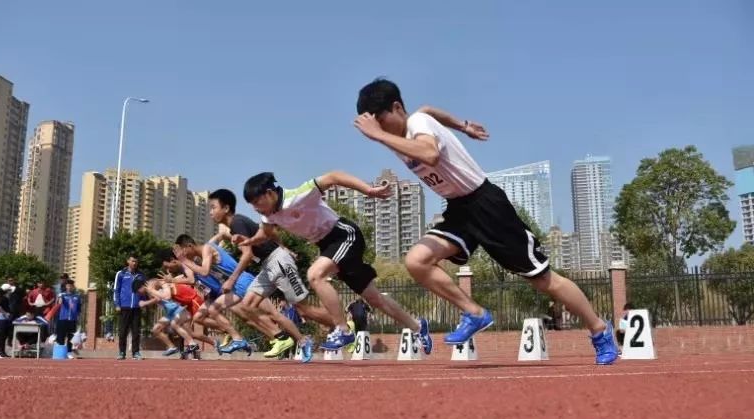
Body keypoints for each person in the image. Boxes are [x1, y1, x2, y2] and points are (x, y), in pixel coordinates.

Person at [353, 78, 618, 365]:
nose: (378, 130)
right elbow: (430, 108)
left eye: (381, 121)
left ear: (397, 107)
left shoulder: (417, 123)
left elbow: (429, 152)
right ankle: (474, 312)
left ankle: (600, 330)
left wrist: (379, 136)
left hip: (486, 204)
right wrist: (463, 125)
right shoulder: (412, 124)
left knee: (543, 280)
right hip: (459, 210)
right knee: (417, 261)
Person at [237, 171, 432, 354]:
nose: (255, 208)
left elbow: (333, 176)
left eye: (257, 202)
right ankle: (417, 326)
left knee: (315, 275)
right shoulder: (268, 215)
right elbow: (265, 232)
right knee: (374, 298)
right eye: (251, 204)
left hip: (343, 235)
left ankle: (343, 330)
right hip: (327, 245)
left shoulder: (298, 195)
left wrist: (368, 190)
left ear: (269, 193)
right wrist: (250, 241)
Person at [206, 189, 334, 354]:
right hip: (268, 265)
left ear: (226, 208)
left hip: (278, 262)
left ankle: (342, 327)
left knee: (304, 310)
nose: (210, 212)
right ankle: (286, 338)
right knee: (248, 305)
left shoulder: (237, 223)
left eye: (213, 207)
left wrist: (232, 279)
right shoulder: (237, 225)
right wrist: (284, 247)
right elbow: (270, 231)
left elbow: (247, 255)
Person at [173, 234, 303, 358]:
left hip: (243, 282)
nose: (182, 255)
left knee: (273, 314)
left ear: (189, 246)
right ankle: (239, 339)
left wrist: (183, 260)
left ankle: (296, 339)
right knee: (214, 309)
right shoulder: (201, 255)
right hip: (235, 287)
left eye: (182, 252)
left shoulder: (207, 248)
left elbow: (205, 271)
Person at [113, 256, 147, 360]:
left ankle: (136, 352)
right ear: (128, 261)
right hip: (124, 306)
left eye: (136, 261)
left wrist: (144, 302)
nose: (134, 263)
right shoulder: (121, 273)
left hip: (136, 307)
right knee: (123, 331)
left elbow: (144, 290)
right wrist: (117, 304)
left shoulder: (141, 275)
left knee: (136, 331)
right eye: (132, 261)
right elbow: (116, 290)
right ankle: (122, 352)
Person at [55, 280, 81, 358]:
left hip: (72, 319)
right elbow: (58, 302)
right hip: (62, 318)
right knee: (61, 336)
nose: (69, 287)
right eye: (68, 286)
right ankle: (60, 351)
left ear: (73, 287)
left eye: (71, 286)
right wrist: (60, 300)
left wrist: (78, 317)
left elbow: (79, 309)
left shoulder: (77, 296)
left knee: (71, 336)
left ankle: (69, 352)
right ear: (66, 286)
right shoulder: (62, 294)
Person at [0, 285, 13, 358]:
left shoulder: (6, 298)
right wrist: (5, 313)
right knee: (0, 336)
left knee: (4, 336)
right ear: (6, 291)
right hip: (2, 319)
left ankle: (2, 351)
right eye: (9, 290)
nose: (10, 292)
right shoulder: (2, 298)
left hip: (5, 319)